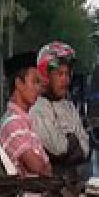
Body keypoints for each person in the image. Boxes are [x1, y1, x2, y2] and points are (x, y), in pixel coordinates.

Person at [30, 41, 91, 177]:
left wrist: (71, 142)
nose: (65, 79)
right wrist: (73, 141)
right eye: (59, 74)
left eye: (67, 74)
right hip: (51, 188)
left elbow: (85, 148)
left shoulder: (68, 106)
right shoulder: (37, 108)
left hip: (73, 183)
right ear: (45, 76)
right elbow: (58, 148)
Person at [0, 51, 51, 185]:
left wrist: (45, 167)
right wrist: (44, 167)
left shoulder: (24, 122)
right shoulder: (13, 123)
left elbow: (48, 168)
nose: (38, 88)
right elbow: (39, 168)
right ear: (19, 84)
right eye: (34, 82)